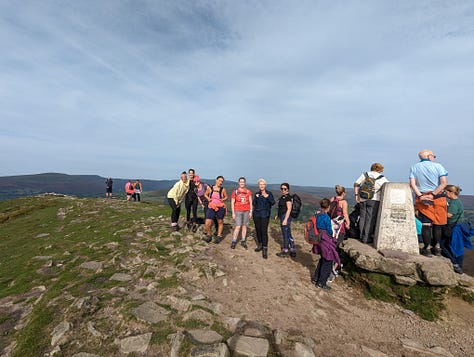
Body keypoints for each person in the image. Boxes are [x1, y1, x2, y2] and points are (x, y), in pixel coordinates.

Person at [409, 149, 448, 257]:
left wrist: (421, 196)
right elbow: (444, 183)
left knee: (426, 224)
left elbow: (412, 184)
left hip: (423, 197)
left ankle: (426, 249)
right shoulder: (438, 166)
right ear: (430, 156)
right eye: (433, 156)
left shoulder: (414, 167)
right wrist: (433, 194)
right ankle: (437, 248)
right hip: (438, 197)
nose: (434, 158)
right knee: (438, 224)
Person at [353, 163, 389, 243]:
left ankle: (361, 236)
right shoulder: (382, 178)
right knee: (370, 219)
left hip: (362, 198)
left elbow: (356, 184)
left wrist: (356, 195)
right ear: (380, 169)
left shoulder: (365, 175)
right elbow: (388, 187)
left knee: (362, 217)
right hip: (374, 200)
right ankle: (366, 238)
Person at [312, 198, 341, 291]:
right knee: (328, 261)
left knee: (323, 259)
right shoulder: (326, 217)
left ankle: (316, 278)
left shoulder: (317, 215)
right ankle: (321, 282)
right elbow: (329, 229)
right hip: (325, 239)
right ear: (328, 207)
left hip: (318, 239)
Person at [441, 185, 466, 274]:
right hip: (457, 227)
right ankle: (457, 264)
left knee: (442, 245)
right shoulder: (457, 201)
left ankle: (455, 264)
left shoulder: (454, 203)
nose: (445, 193)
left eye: (446, 192)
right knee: (450, 245)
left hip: (453, 227)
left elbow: (449, 215)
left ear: (451, 192)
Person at [252, 178, 275, 259]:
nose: (261, 186)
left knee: (264, 231)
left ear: (265, 185)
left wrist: (267, 197)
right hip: (256, 215)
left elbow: (273, 202)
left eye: (263, 184)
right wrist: (256, 197)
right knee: (258, 230)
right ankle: (260, 245)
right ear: (258, 185)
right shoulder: (257, 194)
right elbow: (254, 203)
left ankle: (265, 248)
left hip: (265, 215)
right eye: (260, 184)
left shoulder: (269, 193)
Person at [203, 176, 228, 244]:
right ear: (216, 180)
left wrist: (223, 199)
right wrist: (208, 198)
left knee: (220, 221)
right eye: (219, 180)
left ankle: (219, 236)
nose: (220, 182)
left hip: (220, 207)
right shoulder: (210, 188)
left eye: (222, 181)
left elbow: (226, 196)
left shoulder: (223, 189)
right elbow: (205, 194)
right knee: (207, 222)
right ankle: (209, 235)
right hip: (211, 206)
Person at [230, 177, 253, 249]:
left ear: (245, 183)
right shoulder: (235, 192)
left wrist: (251, 211)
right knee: (238, 226)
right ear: (238, 183)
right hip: (238, 210)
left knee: (244, 226)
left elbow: (250, 202)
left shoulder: (248, 191)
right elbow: (232, 202)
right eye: (241, 182)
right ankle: (234, 241)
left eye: (243, 182)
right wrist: (233, 212)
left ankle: (243, 241)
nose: (242, 183)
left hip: (246, 210)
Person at [276, 183, 296, 258]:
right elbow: (281, 208)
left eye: (285, 189)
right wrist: (278, 215)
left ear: (288, 189)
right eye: (282, 188)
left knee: (285, 234)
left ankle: (285, 250)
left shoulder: (288, 198)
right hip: (283, 216)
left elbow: (289, 209)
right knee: (288, 233)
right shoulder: (283, 197)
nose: (283, 190)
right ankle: (293, 249)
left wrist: (285, 219)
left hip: (285, 216)